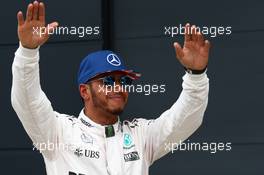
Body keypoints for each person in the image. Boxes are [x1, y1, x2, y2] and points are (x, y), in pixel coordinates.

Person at [11, 1, 210, 175]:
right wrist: (28, 52)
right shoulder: (58, 133)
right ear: (84, 91)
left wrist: (196, 75)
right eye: (107, 81)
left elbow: (185, 119)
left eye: (123, 81)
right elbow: (28, 101)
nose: (117, 87)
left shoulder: (140, 136)